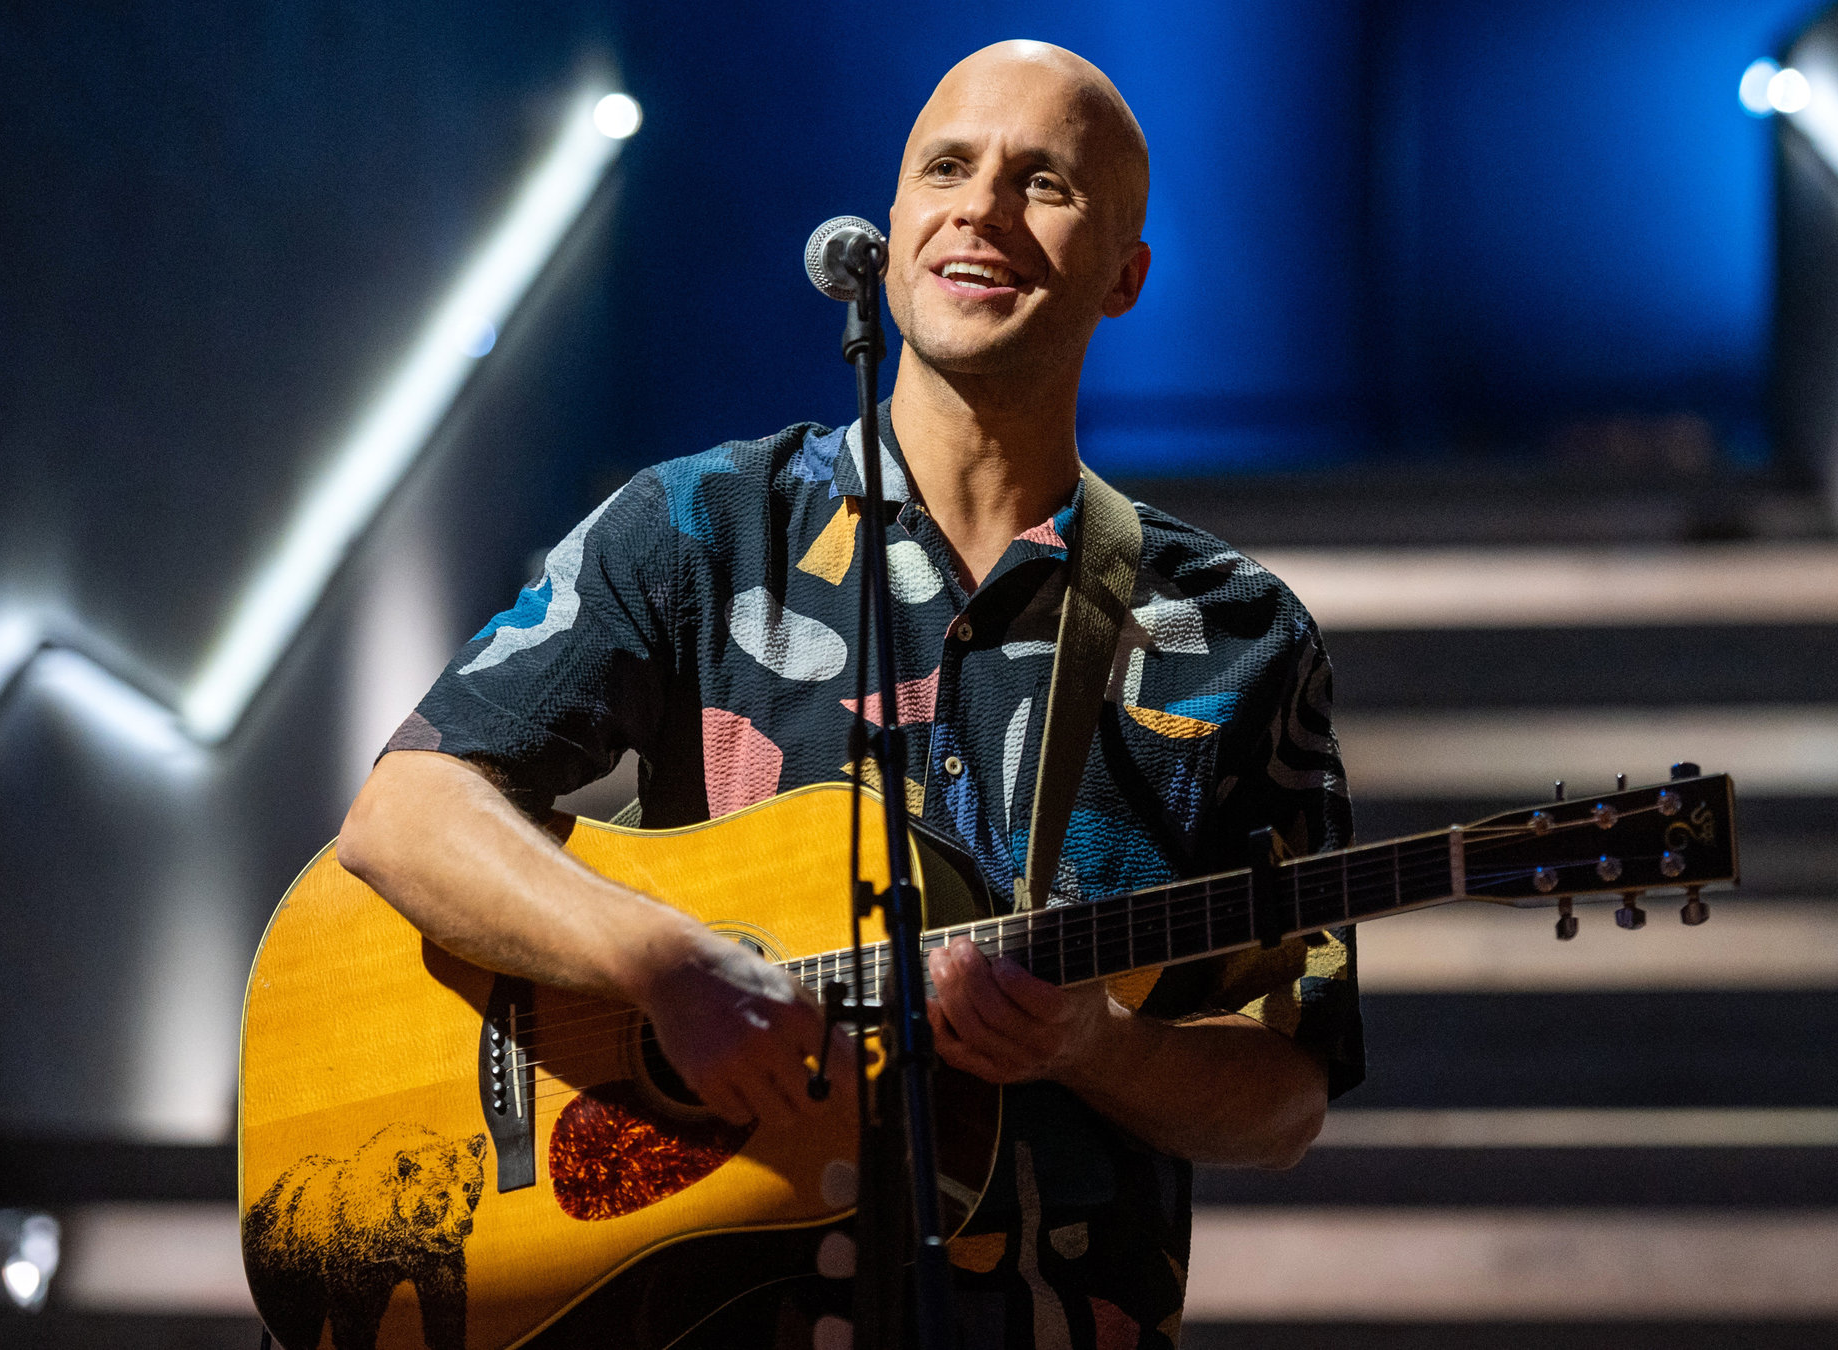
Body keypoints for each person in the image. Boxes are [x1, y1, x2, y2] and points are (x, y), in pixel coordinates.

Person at [338, 39, 1363, 1349]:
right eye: (947, 168)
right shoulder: (702, 528)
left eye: (1043, 182)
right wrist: (658, 964)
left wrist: (1095, 1045)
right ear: (889, 232)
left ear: (1125, 275)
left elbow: (1283, 1093)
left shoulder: (1239, 634)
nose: (980, 208)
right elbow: (408, 810)